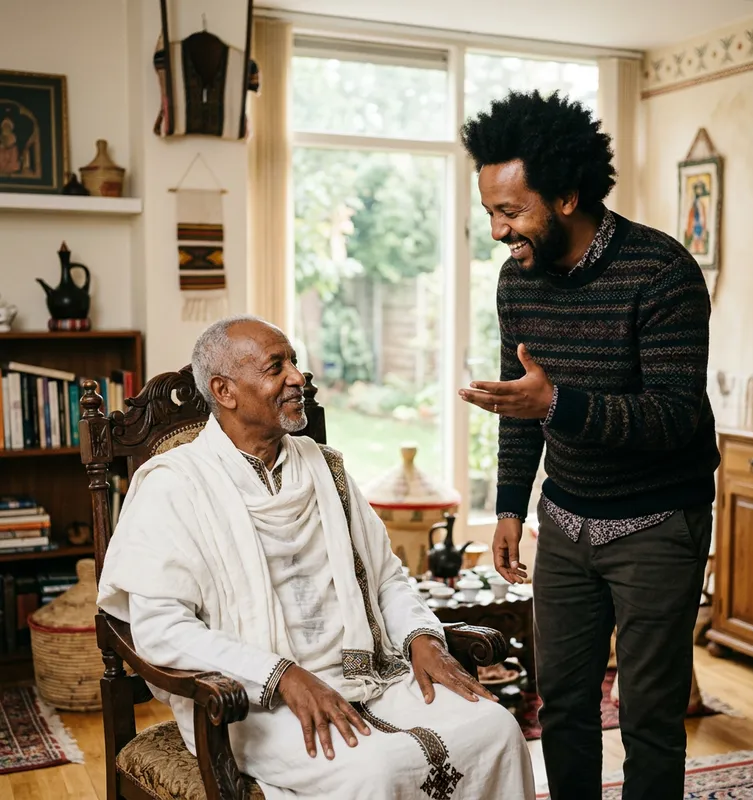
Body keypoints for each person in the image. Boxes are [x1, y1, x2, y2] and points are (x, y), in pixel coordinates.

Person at [97, 315, 535, 800]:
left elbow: (386, 579)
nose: (297, 378)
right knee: (376, 770)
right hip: (252, 701)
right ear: (224, 391)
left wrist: (422, 638)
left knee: (495, 730)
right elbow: (162, 628)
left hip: (372, 674)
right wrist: (280, 675)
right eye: (276, 367)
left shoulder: (326, 467)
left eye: (295, 362)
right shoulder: (174, 486)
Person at [459, 91, 719, 800]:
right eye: (489, 212)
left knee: (649, 717)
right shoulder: (517, 282)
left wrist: (557, 404)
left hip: (658, 523)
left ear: (567, 197)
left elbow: (674, 416)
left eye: (510, 212)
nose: (497, 231)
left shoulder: (660, 271)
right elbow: (522, 403)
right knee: (564, 707)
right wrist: (509, 507)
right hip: (566, 522)